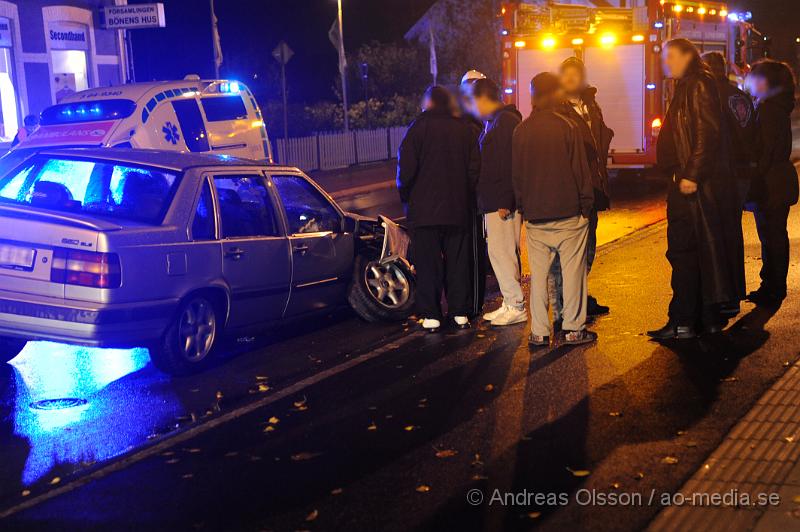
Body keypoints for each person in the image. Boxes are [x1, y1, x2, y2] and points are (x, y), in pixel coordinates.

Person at [648, 39, 737, 340]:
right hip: (688, 182)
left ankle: (683, 320)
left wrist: (691, 175)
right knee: (697, 252)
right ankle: (701, 317)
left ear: (688, 55)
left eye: (671, 56)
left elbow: (706, 133)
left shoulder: (697, 85)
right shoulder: (690, 85)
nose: (666, 62)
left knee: (683, 252)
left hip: (691, 187)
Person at [512, 72, 597, 347]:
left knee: (539, 277)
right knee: (573, 274)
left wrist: (524, 207)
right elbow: (580, 171)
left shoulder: (521, 130)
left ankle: (539, 332)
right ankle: (573, 328)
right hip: (569, 213)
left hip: (536, 217)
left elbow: (518, 176)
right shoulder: (567, 126)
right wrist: (587, 205)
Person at [397, 85, 481, 332]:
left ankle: (432, 313)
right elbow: (474, 169)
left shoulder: (417, 130)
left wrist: (408, 198)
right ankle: (459, 312)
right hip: (457, 209)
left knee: (428, 263)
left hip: (424, 213)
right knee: (458, 261)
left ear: (428, 103)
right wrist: (465, 195)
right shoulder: (463, 130)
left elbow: (406, 171)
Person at [549, 57, 615, 324]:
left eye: (578, 73)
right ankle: (564, 310)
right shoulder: (556, 109)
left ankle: (580, 298)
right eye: (568, 74)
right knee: (566, 255)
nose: (574, 79)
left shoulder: (591, 105)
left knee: (588, 251)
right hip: (572, 191)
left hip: (594, 189)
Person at [702, 51, 756, 317]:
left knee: (716, 234)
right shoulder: (739, 96)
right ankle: (735, 292)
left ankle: (720, 295)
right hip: (743, 172)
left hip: (721, 174)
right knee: (733, 231)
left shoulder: (710, 98)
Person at [469, 77, 526, 326]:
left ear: (483, 99)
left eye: (473, 102)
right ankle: (509, 302)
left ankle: (515, 305)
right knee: (499, 252)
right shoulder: (496, 122)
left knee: (502, 253)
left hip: (501, 202)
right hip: (494, 200)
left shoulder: (504, 123)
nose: (472, 108)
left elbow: (509, 166)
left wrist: (505, 200)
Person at [746, 60, 798, 307]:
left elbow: (764, 149)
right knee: (774, 235)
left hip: (770, 183)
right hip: (780, 180)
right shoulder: (779, 107)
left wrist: (753, 176)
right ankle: (773, 285)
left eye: (754, 78)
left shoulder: (767, 109)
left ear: (765, 82)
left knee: (772, 236)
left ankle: (773, 287)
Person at [458, 69, 489, 319]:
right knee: (473, 252)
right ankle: (473, 305)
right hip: (471, 199)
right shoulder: (472, 124)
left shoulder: (472, 120)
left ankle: (466, 304)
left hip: (464, 198)